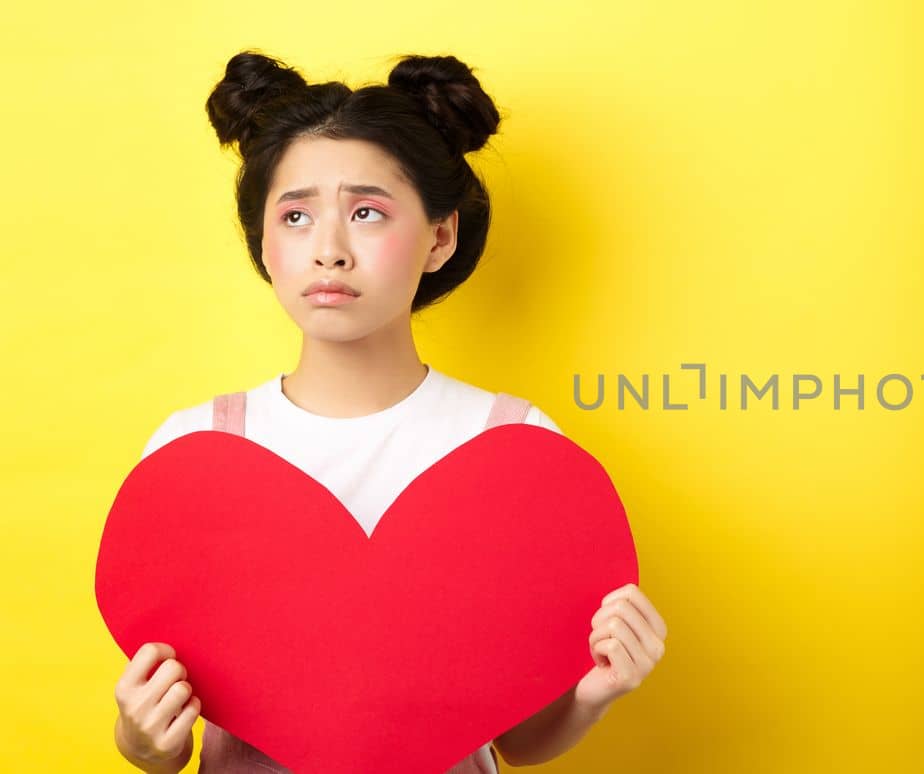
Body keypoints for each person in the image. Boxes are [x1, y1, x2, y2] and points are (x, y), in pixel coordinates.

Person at [110, 49, 667, 772]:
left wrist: (595, 692)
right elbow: (160, 747)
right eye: (298, 215)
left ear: (440, 237)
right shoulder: (197, 451)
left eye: (367, 212)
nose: (330, 251)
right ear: (264, 243)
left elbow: (512, 740)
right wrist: (141, 736)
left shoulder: (515, 450)